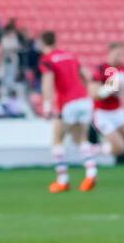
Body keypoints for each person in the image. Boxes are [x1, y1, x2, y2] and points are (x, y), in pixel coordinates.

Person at [39, 31, 97, 192]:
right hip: (84, 100)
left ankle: (62, 179)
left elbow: (48, 83)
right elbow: (87, 75)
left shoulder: (47, 60)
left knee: (57, 138)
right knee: (81, 138)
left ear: (42, 43)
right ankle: (91, 172)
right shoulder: (70, 55)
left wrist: (47, 106)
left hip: (68, 102)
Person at [91, 41, 124, 184]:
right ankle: (94, 150)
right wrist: (109, 89)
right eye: (118, 53)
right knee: (119, 148)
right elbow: (94, 93)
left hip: (118, 111)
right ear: (110, 53)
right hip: (102, 113)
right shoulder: (102, 69)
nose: (121, 56)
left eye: (123, 54)